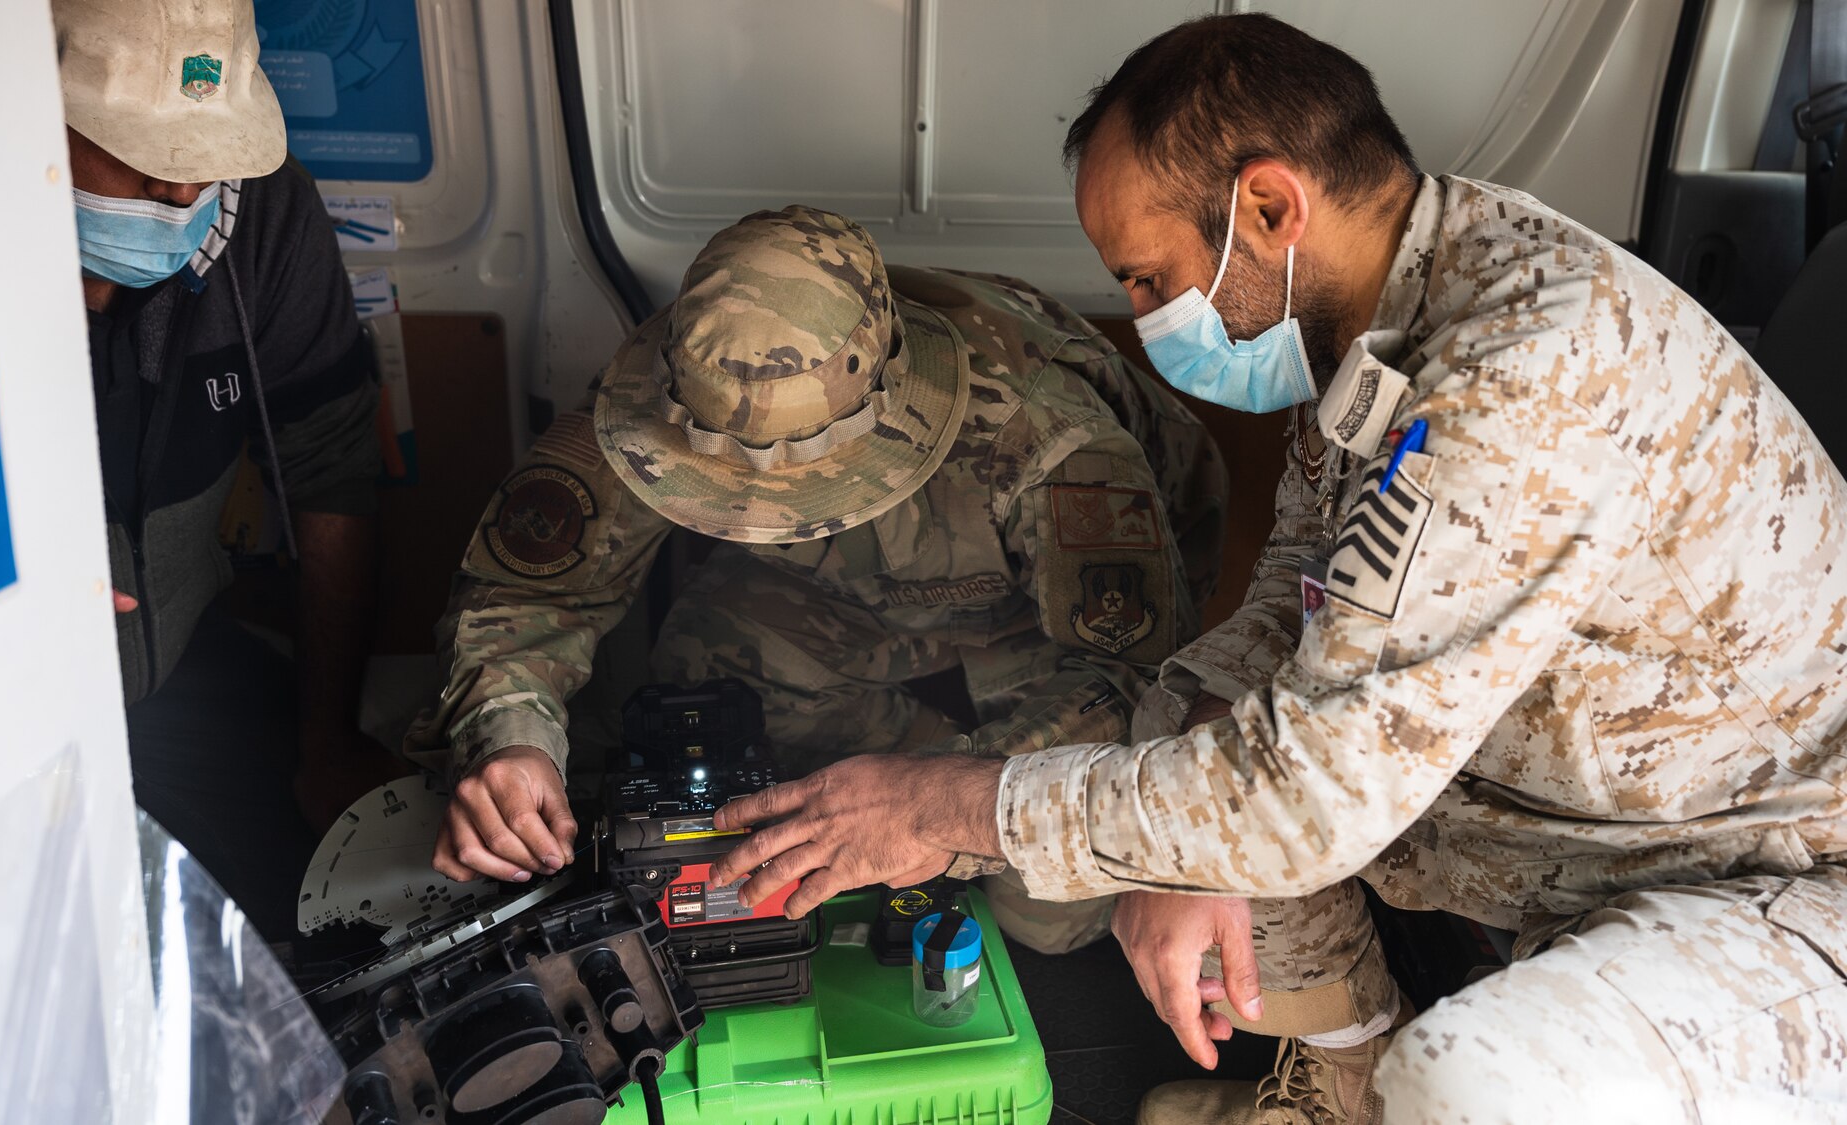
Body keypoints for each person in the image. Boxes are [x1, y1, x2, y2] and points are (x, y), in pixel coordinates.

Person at [706, 14, 1847, 1122]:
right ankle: (1346, 1091)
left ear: (1265, 206)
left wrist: (940, 807)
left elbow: (1309, 796)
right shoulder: (1380, 324)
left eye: (1149, 278)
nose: (1144, 317)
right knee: (1179, 762)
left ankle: (1397, 1087)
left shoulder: (1526, 371)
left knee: (1461, 1079)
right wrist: (1167, 819)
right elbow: (1292, 596)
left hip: (1761, 869)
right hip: (1559, 813)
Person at [409, 204, 1226, 955]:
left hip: (1037, 626)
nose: (760, 512)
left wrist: (940, 804)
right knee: (702, 671)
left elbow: (1140, 678)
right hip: (845, 603)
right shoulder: (674, 384)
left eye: (809, 485)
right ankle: (874, 792)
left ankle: (904, 801)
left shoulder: (1043, 435)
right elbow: (529, 589)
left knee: (1053, 914)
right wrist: (512, 738)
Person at [57, 0, 397, 939]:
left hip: (180, 667)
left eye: (203, 159)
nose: (182, 195)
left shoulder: (263, 215)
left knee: (324, 924)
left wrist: (324, 738)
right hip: (7, 708)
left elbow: (330, 471)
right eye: (144, 157)